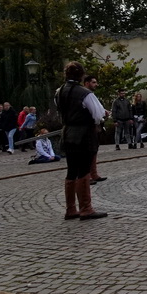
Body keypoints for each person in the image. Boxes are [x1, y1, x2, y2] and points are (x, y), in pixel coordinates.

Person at [55, 62, 108, 221]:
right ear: (81, 75)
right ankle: (86, 208)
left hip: (67, 132)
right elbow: (98, 115)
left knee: (71, 170)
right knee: (83, 170)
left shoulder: (59, 92)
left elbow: (60, 110)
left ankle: (71, 209)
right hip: (84, 134)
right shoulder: (85, 93)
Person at [82, 75, 108, 183]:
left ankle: (94, 173)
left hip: (93, 126)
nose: (96, 84)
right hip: (86, 126)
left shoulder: (91, 95)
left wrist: (103, 111)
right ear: (87, 83)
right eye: (93, 82)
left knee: (94, 150)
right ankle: (87, 176)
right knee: (87, 152)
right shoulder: (85, 94)